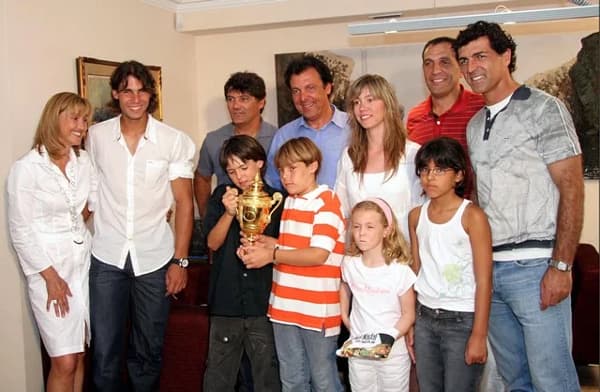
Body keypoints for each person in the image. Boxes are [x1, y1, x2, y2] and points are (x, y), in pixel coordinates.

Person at [455, 21, 584, 391]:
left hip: (536, 267)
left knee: (552, 380)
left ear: (506, 56)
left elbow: (572, 190)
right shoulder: (474, 124)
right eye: (464, 60)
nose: (471, 67)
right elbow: (479, 199)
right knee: (515, 381)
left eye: (480, 56)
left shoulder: (545, 109)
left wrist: (561, 266)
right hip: (491, 272)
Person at [86, 60, 195, 391]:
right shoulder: (96, 137)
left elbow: (185, 202)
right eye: (127, 91)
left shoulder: (173, 140)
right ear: (116, 95)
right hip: (106, 256)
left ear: (151, 94)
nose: (135, 98)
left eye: (142, 90)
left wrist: (180, 260)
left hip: (155, 257)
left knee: (148, 351)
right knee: (104, 353)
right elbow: (87, 192)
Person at [238, 137, 345, 392]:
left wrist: (272, 255)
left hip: (317, 309)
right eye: (282, 170)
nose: (286, 176)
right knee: (292, 380)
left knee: (324, 381)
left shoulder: (327, 201)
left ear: (313, 166)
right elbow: (295, 248)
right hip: (284, 305)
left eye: (293, 168)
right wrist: (268, 243)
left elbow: (318, 254)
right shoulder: (290, 202)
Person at [7, 92, 94, 392]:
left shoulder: (83, 162)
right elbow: (20, 230)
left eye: (85, 120)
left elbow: (88, 206)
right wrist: (51, 277)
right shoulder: (27, 168)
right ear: (53, 119)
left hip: (83, 266)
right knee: (64, 361)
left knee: (80, 353)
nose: (82, 126)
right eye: (75, 118)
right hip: (49, 274)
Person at [408, 137, 492, 392]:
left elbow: (485, 280)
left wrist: (478, 334)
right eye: (424, 170)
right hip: (425, 319)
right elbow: (415, 270)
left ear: (458, 175)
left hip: (462, 320)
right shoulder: (415, 216)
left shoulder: (472, 216)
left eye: (440, 170)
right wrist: (411, 322)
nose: (430, 177)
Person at [202, 135, 281, 391]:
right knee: (218, 377)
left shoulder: (277, 200)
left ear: (260, 163)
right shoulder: (221, 196)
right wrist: (228, 213)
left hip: (264, 300)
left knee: (266, 376)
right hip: (227, 299)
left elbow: (282, 245)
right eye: (231, 171)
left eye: (243, 167)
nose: (239, 176)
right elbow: (212, 244)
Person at [340, 198, 416, 392]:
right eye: (356, 226)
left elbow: (409, 314)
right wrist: (345, 317)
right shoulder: (350, 263)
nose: (361, 233)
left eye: (370, 227)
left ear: (386, 230)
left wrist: (389, 337)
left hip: (393, 355)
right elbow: (345, 286)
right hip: (358, 352)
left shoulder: (399, 271)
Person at [335, 74, 423, 239]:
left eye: (370, 99)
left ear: (387, 103)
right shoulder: (349, 156)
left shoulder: (412, 154)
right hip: (360, 258)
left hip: (403, 256)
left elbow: (422, 214)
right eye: (356, 102)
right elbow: (341, 211)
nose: (362, 108)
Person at [406, 37, 485, 198]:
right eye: (428, 63)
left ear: (460, 68)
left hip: (474, 217)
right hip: (427, 217)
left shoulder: (481, 109)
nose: (435, 71)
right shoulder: (415, 116)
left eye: (444, 62)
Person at [195, 71, 278, 218]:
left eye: (244, 99)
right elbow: (202, 177)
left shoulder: (278, 138)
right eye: (230, 99)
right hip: (226, 221)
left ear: (261, 102)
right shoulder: (214, 139)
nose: (235, 106)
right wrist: (207, 216)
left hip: (269, 218)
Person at [265, 55, 350, 190]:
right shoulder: (284, 136)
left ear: (327, 88)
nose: (303, 98)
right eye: (296, 91)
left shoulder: (354, 128)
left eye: (310, 88)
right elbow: (274, 187)